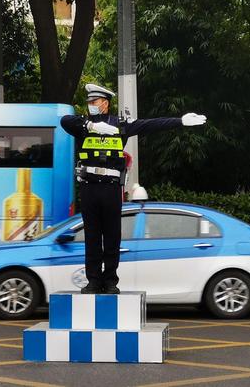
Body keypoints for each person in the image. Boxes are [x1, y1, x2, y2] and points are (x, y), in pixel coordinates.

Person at [60, 83, 207, 295]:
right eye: (89, 102)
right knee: (92, 237)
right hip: (89, 187)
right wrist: (91, 127)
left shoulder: (121, 125)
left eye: (94, 102)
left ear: (105, 104)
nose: (90, 105)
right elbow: (64, 120)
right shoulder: (83, 124)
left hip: (111, 189)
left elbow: (152, 124)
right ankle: (93, 281)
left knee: (112, 237)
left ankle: (110, 280)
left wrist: (180, 121)